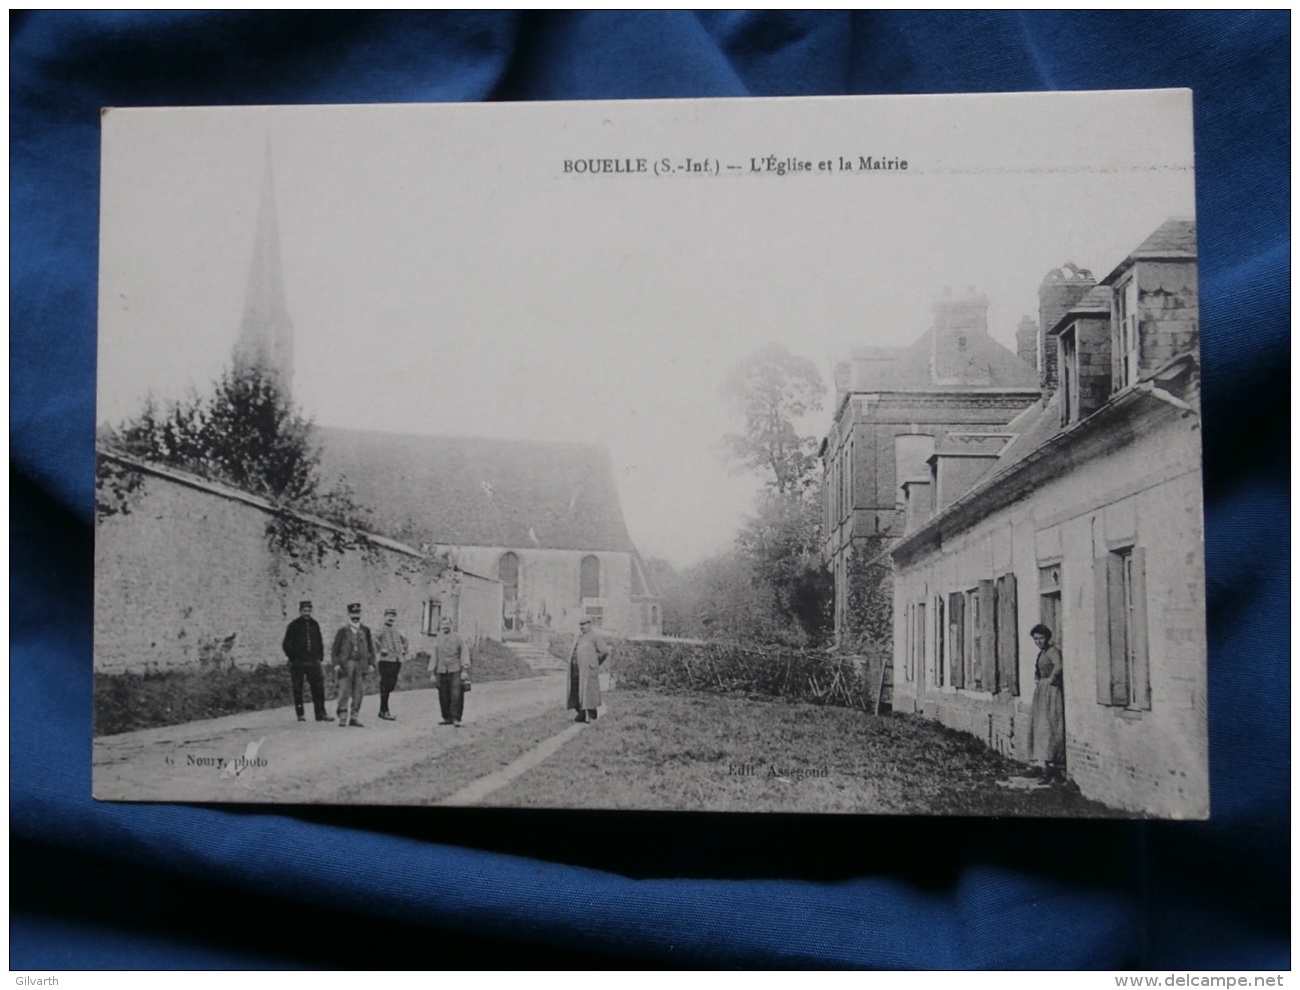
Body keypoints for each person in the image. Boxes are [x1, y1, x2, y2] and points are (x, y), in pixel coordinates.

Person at [281, 600, 333, 723]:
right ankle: (300, 714)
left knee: (318, 688)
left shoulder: (315, 624)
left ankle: (320, 713)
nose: (307, 613)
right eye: (304, 611)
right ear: (300, 611)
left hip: (313, 662)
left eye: (309, 611)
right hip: (298, 662)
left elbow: (319, 641)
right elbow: (286, 644)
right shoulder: (293, 625)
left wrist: (319, 657)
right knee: (298, 688)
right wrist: (293, 658)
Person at [1027, 623, 1066, 778]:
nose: (1039, 642)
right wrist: (1037, 679)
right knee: (1041, 723)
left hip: (1051, 691)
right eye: (1036, 639)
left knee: (1050, 723)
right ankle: (1043, 761)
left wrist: (1051, 680)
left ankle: (1053, 762)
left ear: (1047, 638)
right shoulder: (1041, 653)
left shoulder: (1053, 651)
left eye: (1041, 638)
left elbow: (1059, 666)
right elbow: (1038, 669)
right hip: (1042, 691)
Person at [331, 602, 375, 727]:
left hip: (361, 663)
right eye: (353, 613)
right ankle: (343, 715)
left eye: (357, 613)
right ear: (349, 614)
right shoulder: (343, 631)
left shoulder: (365, 630)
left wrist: (372, 663)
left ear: (360, 614)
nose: (355, 615)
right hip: (347, 663)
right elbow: (335, 650)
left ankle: (354, 716)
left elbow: (372, 648)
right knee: (344, 690)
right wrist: (336, 664)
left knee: (358, 691)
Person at [428, 617, 470, 727]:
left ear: (451, 625)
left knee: (456, 694)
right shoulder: (438, 638)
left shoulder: (458, 638)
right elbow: (434, 655)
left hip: (455, 670)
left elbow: (464, 653)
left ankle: (456, 718)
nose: (445, 626)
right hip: (441, 670)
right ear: (440, 626)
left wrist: (464, 670)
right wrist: (432, 672)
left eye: (447, 624)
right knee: (443, 694)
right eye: (443, 624)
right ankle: (447, 717)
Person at [567, 617, 610, 723]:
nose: (582, 627)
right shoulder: (578, 637)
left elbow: (604, 651)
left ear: (590, 624)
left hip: (589, 669)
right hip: (576, 668)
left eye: (584, 624)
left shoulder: (595, 637)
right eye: (580, 625)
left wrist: (595, 662)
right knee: (577, 690)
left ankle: (592, 715)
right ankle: (581, 713)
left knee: (589, 690)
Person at [374, 607, 408, 721]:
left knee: (391, 685)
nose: (390, 618)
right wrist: (381, 649)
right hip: (385, 661)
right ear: (384, 617)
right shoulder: (380, 629)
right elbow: (373, 640)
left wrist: (403, 649)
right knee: (386, 685)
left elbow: (405, 641)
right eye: (388, 616)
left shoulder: (396, 630)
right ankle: (384, 710)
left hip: (396, 660)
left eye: (393, 616)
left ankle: (383, 710)